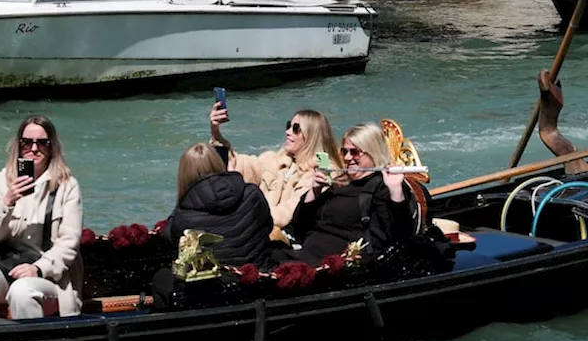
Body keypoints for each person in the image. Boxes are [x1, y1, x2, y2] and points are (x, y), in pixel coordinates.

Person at [0, 116, 83, 319]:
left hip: (48, 276)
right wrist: (7, 202)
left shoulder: (67, 186)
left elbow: (69, 244)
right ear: (19, 144)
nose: (34, 149)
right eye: (27, 142)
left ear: (52, 146)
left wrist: (37, 268)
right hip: (3, 266)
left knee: (23, 291)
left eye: (42, 143)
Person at [284, 123, 416, 265]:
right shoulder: (339, 184)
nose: (347, 158)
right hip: (305, 254)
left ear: (373, 152)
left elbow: (401, 237)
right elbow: (298, 228)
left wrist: (396, 191)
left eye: (354, 152)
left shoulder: (382, 186)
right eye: (344, 152)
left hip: (337, 265)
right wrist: (314, 192)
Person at [209, 103, 342, 236]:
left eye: (296, 128)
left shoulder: (322, 172)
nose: (288, 132)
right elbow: (239, 163)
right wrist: (216, 131)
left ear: (312, 136)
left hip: (285, 237)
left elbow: (287, 213)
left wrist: (245, 213)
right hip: (258, 225)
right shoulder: (277, 159)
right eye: (288, 125)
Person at [161, 143, 275, 269]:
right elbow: (268, 226)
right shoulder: (252, 193)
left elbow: (169, 240)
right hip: (260, 275)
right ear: (220, 164)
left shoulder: (183, 216)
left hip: (216, 283)